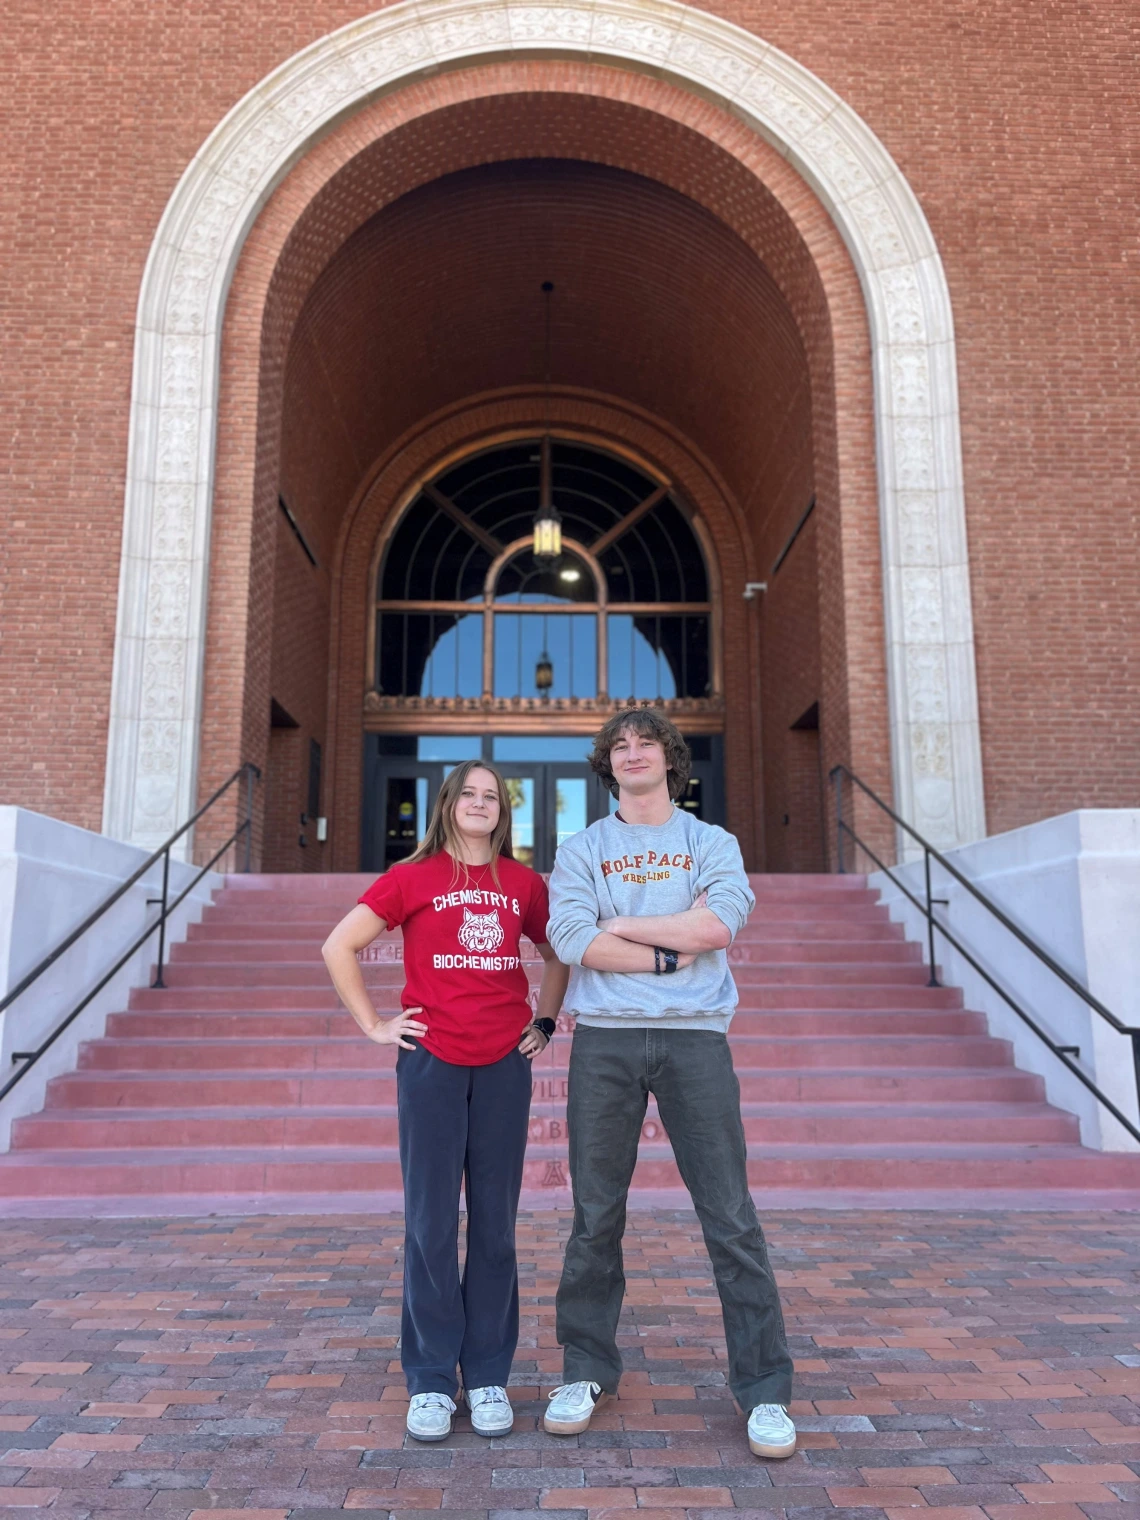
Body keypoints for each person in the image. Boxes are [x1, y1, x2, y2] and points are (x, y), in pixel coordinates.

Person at [543, 710, 796, 1459]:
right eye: (617, 747)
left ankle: (765, 1389)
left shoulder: (710, 842)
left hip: (695, 1042)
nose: (630, 753)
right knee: (595, 1216)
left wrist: (617, 927)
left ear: (670, 760)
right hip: (605, 1045)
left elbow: (718, 928)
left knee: (730, 1216)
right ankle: (585, 1369)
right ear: (607, 765)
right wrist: (660, 948)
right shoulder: (582, 846)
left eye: (643, 743)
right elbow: (569, 939)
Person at [322, 760, 568, 1444]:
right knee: (430, 1225)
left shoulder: (522, 883)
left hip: (502, 1066)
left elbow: (557, 954)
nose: (481, 803)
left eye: (493, 796)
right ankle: (431, 1380)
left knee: (494, 1227)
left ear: (503, 811)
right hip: (429, 1063)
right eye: (470, 793)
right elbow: (338, 944)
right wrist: (375, 1026)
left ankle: (487, 1375)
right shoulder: (414, 877)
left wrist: (544, 1021)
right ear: (449, 803)